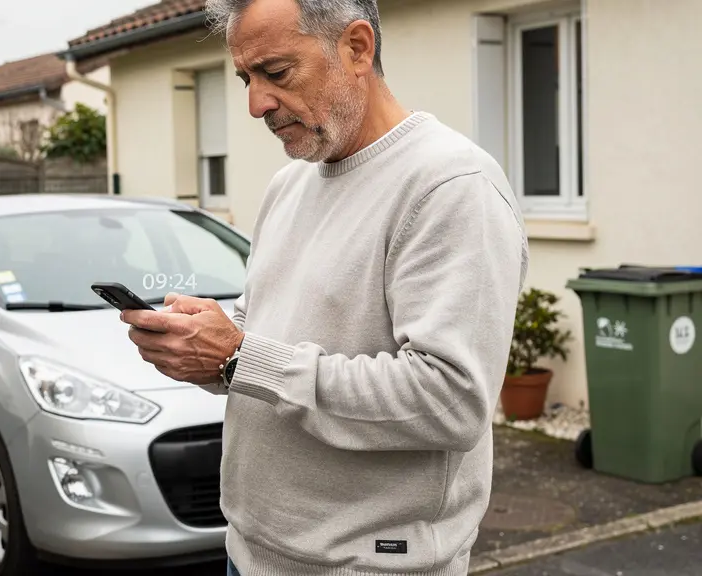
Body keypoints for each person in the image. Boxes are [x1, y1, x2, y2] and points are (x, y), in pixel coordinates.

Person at [119, 0, 529, 574]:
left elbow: (450, 400)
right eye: (246, 78)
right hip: (251, 552)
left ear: (357, 48)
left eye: (276, 73)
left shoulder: (451, 186)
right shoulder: (290, 184)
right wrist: (206, 345)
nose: (256, 103)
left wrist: (240, 359)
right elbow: (266, 334)